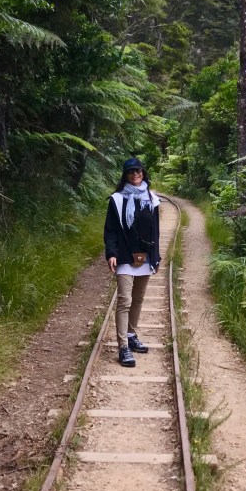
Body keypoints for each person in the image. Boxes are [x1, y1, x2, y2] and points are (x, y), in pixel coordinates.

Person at [103, 157, 161, 367]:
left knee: (138, 299)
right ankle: (123, 347)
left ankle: (131, 335)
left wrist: (155, 257)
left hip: (145, 256)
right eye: (131, 172)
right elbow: (110, 230)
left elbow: (155, 230)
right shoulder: (117, 200)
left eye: (138, 171)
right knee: (124, 300)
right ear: (125, 175)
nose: (135, 174)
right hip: (125, 255)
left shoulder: (152, 199)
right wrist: (111, 253)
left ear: (143, 173)